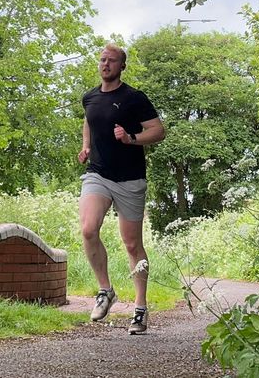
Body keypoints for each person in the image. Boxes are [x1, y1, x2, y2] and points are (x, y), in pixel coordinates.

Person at [78, 42, 165, 334]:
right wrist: (86, 146)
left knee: (131, 244)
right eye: (102, 59)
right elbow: (89, 121)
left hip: (130, 179)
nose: (105, 64)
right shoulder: (89, 97)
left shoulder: (134, 98)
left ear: (121, 66)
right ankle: (106, 290)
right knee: (88, 229)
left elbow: (158, 131)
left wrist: (131, 139)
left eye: (112, 61)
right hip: (98, 175)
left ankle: (140, 308)